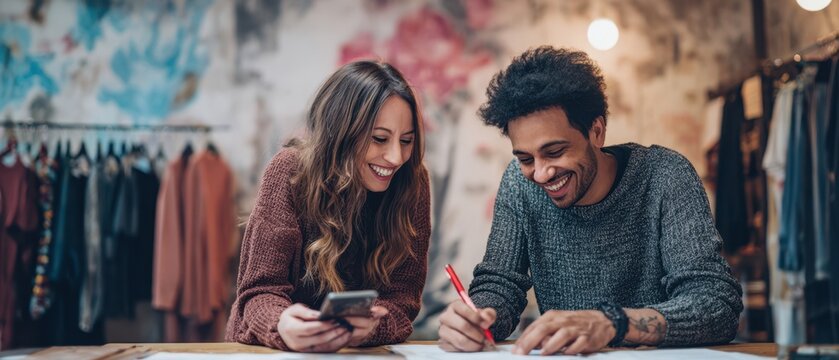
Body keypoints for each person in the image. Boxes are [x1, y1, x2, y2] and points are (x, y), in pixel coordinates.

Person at [438, 47, 743, 355]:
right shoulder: (519, 183)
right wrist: (477, 319)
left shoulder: (664, 176)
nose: (541, 174)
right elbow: (499, 285)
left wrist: (613, 323)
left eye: (555, 152)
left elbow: (715, 304)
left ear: (597, 132)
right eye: (526, 158)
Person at [226, 60, 431, 352]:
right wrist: (282, 323)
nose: (396, 157)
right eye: (380, 139)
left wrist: (373, 326)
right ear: (342, 132)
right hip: (267, 351)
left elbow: (402, 300)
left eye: (407, 140)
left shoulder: (412, 181)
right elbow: (258, 293)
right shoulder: (289, 172)